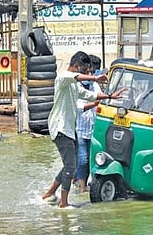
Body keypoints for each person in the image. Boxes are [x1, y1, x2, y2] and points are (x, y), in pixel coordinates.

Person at [41, 51, 125, 208]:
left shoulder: (73, 86)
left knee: (70, 165)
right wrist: (95, 78)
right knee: (71, 166)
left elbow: (89, 95)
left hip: (69, 129)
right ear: (77, 66)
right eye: (85, 70)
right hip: (60, 128)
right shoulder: (63, 77)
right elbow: (76, 78)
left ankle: (49, 193)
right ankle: (63, 203)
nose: (87, 73)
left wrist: (110, 97)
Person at [74, 54, 103, 193]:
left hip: (94, 130)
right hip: (80, 130)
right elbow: (79, 107)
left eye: (91, 72)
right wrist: (94, 103)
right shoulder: (76, 86)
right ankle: (81, 187)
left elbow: (102, 101)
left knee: (94, 159)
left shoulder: (95, 86)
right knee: (83, 160)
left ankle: (92, 185)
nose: (90, 74)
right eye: (87, 72)